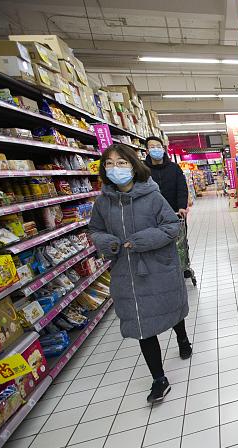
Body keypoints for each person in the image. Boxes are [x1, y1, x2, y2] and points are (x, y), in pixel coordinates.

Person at [89, 144, 192, 403]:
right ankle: (159, 379)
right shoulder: (102, 203)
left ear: (134, 167)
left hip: (158, 266)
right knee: (141, 324)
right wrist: (108, 243)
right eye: (109, 163)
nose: (115, 168)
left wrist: (143, 240)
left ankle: (182, 338)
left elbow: (172, 226)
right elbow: (95, 231)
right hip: (127, 272)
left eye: (121, 163)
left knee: (170, 306)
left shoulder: (153, 197)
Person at [143, 136, 189, 218]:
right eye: (152, 147)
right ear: (147, 151)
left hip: (175, 211)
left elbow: (182, 188)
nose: (156, 149)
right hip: (152, 213)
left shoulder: (174, 167)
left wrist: (182, 206)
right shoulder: (143, 169)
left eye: (158, 146)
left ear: (163, 149)